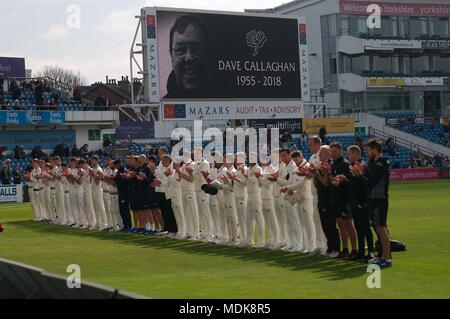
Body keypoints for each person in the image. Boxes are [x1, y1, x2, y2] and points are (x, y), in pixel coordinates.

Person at [354, 138, 392, 268]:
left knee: (381, 228)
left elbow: (370, 182)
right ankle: (382, 256)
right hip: (372, 199)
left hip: (379, 200)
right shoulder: (372, 163)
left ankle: (387, 258)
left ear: (375, 150)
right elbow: (367, 179)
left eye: (368, 150)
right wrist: (362, 172)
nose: (366, 152)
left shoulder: (381, 164)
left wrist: (360, 173)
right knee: (378, 227)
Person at [164, 15, 214, 98]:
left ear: (207, 55)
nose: (189, 57)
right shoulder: (161, 106)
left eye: (196, 50)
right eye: (181, 50)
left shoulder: (227, 97)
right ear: (171, 56)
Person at [329, 141, 358, 260]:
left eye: (335, 151)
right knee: (340, 224)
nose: (333, 153)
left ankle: (354, 250)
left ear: (341, 151)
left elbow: (351, 183)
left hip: (345, 199)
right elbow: (332, 176)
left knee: (348, 224)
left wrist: (342, 180)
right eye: (331, 152)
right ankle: (345, 249)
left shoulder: (345, 164)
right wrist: (333, 178)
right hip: (336, 199)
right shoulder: (333, 164)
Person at [347, 145, 375, 262]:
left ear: (355, 154)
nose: (348, 156)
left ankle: (371, 252)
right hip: (354, 201)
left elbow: (366, 184)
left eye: (349, 154)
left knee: (365, 228)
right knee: (358, 227)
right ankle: (361, 252)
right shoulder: (353, 166)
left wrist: (358, 174)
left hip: (362, 201)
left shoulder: (362, 165)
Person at [313, 145, 340, 258]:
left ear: (328, 153)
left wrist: (317, 173)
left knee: (330, 225)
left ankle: (336, 248)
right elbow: (316, 184)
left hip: (329, 199)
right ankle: (330, 247)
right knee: (324, 225)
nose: (319, 155)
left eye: (321, 153)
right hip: (321, 198)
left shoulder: (331, 165)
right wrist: (315, 173)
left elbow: (325, 182)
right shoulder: (320, 165)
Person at [278, 149, 302, 252]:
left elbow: (291, 182)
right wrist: (280, 181)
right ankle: (290, 242)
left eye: (285, 155)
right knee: (287, 220)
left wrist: (280, 181)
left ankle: (297, 244)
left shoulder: (293, 167)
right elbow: (284, 181)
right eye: (281, 156)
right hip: (285, 195)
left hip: (291, 196)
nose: (283, 158)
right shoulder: (283, 167)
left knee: (294, 220)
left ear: (289, 155)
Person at [306, 136, 327, 253]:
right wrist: (307, 172)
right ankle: (320, 245)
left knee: (324, 220)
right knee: (316, 220)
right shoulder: (311, 157)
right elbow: (311, 175)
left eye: (311, 144)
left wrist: (314, 172)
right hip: (313, 191)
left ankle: (327, 245)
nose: (309, 147)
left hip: (322, 192)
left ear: (318, 144)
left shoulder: (323, 155)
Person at [90, 155, 109, 230]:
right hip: (93, 189)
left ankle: (104, 224)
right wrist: (91, 175)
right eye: (91, 161)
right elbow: (90, 181)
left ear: (97, 161)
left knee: (100, 207)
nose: (92, 162)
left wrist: (92, 174)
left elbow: (97, 182)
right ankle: (98, 224)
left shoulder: (98, 169)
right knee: (95, 207)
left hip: (98, 189)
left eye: (93, 161)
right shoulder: (92, 169)